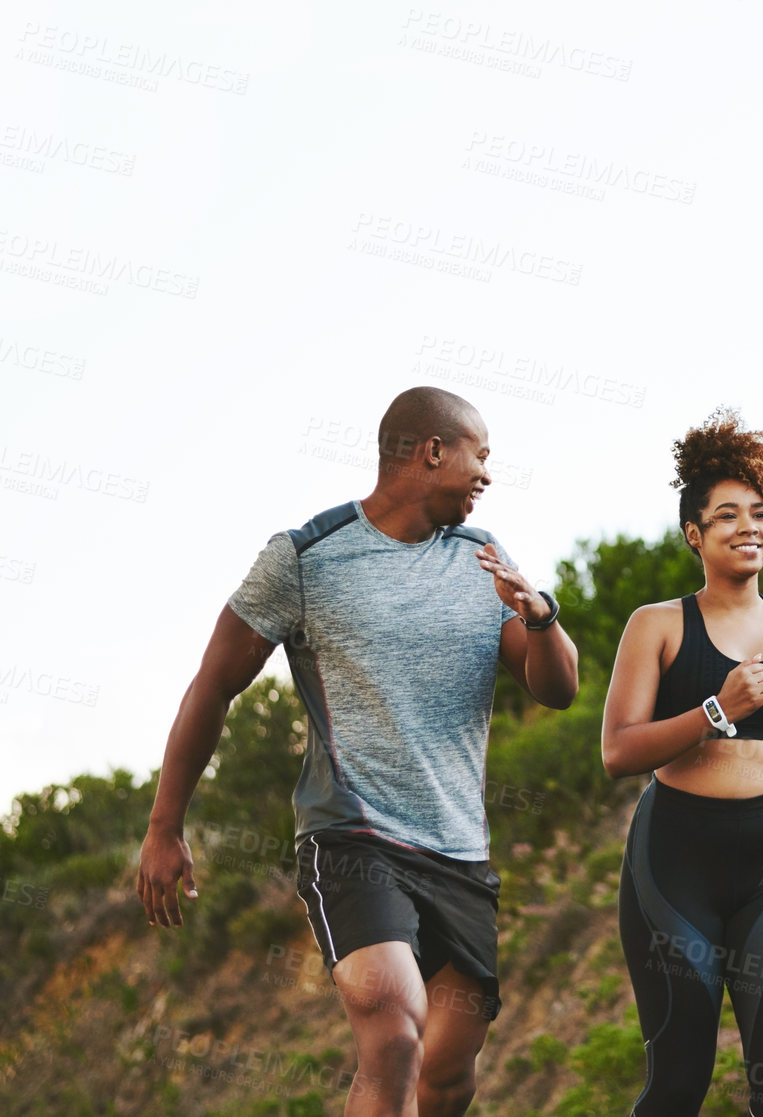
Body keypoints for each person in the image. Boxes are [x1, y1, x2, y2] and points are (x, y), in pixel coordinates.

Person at [135, 386, 579, 1117]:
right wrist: (164, 825)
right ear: (432, 451)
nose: (488, 475)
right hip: (352, 838)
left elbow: (555, 689)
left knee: (448, 1075)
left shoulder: (484, 558)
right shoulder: (305, 558)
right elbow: (213, 686)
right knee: (395, 1030)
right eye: (480, 455)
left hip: (459, 852)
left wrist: (541, 614)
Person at [601, 405, 763, 1116]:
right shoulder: (655, 625)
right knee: (678, 1082)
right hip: (675, 862)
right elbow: (618, 749)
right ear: (694, 533)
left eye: (759, 512)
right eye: (726, 516)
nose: (749, 526)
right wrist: (716, 711)